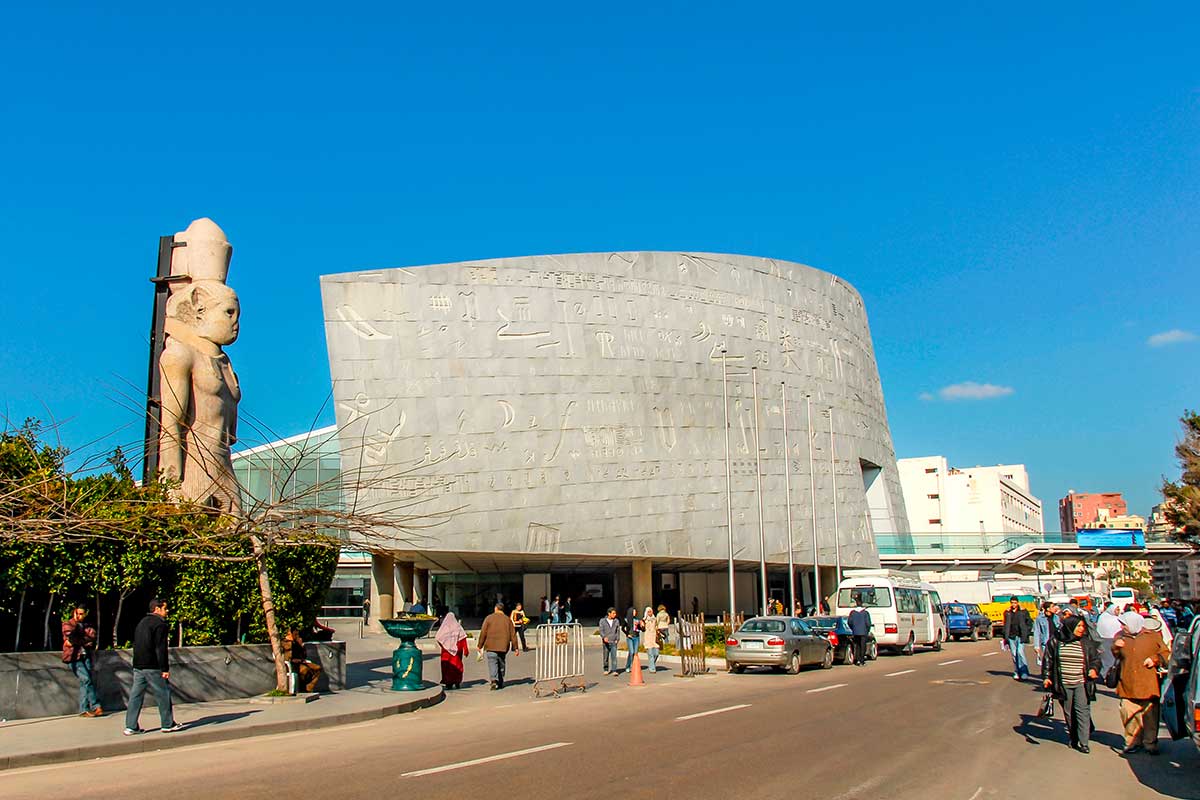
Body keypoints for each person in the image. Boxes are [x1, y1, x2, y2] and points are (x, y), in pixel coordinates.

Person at [1113, 610, 1171, 755]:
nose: (1122, 627)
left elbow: (1165, 653)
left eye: (1124, 625)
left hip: (1148, 683)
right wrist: (1115, 647)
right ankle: (1132, 742)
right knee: (1128, 714)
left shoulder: (1152, 636)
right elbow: (1116, 655)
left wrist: (1154, 659)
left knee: (1150, 715)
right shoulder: (1120, 637)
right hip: (1127, 682)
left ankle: (1150, 743)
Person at [124, 598, 184, 735]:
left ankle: (131, 726)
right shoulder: (160, 624)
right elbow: (160, 648)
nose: (167, 611)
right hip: (153, 665)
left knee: (136, 695)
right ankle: (167, 724)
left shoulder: (142, 622)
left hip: (139, 664)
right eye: (165, 608)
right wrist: (164, 668)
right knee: (163, 694)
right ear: (157, 609)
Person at [1042, 614, 1101, 753]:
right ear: (1070, 627)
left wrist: (1094, 669)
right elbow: (1048, 660)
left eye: (1083, 626)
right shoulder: (1056, 641)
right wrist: (1046, 677)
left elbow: (1095, 660)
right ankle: (1073, 737)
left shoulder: (1086, 642)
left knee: (1082, 711)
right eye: (1078, 626)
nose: (1081, 629)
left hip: (1082, 682)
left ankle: (1084, 742)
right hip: (1063, 684)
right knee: (1069, 713)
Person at [62, 606, 103, 717]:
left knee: (85, 682)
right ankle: (95, 706)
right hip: (74, 657)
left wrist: (80, 640)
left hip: (86, 656)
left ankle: (83, 709)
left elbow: (92, 636)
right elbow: (70, 639)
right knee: (86, 679)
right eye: (78, 614)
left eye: (82, 614)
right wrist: (83, 639)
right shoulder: (68, 624)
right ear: (74, 613)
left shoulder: (88, 625)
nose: (80, 616)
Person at [476, 602, 520, 690]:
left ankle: (493, 680)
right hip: (503, 646)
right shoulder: (507, 620)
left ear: (496, 608)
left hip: (490, 646)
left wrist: (480, 645)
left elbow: (483, 632)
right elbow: (513, 635)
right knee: (501, 663)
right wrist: (516, 648)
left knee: (492, 663)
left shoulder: (489, 618)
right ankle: (500, 680)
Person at [282, 627, 323, 693]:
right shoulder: (287, 643)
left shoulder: (297, 642)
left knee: (318, 668)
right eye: (296, 634)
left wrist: (302, 646)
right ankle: (302, 688)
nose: (297, 636)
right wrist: (299, 661)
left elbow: (304, 656)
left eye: (298, 634)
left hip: (301, 662)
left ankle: (309, 687)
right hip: (293, 664)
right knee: (304, 670)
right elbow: (289, 658)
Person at [1002, 596, 1033, 680]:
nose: (1013, 604)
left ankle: (1024, 671)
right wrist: (1005, 636)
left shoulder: (1023, 611)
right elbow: (1005, 624)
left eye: (1015, 603)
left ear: (1018, 603)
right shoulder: (1007, 612)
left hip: (1020, 635)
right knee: (1014, 654)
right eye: (1012, 602)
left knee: (1020, 652)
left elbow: (1029, 622)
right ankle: (1017, 671)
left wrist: (1027, 631)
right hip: (1011, 636)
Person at [436, 612, 468, 689]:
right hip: (457, 652)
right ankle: (457, 681)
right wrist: (465, 650)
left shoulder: (444, 627)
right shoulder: (458, 627)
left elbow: (438, 637)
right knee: (457, 666)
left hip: (446, 652)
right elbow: (463, 639)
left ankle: (448, 682)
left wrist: (444, 645)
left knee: (447, 667)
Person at [1033, 601, 1060, 676]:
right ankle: (1048, 677)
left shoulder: (1056, 617)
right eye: (1052, 607)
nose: (1054, 608)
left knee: (1057, 661)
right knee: (1048, 661)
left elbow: (1059, 628)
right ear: (1047, 609)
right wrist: (1036, 645)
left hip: (1057, 642)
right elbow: (1037, 632)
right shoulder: (1039, 618)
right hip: (1046, 643)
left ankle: (1056, 677)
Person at [1096, 602, 1122, 675]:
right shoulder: (1103, 617)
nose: (1118, 611)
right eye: (1116, 610)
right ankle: (1105, 676)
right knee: (1106, 660)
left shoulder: (1119, 618)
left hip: (1116, 640)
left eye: (1118, 610)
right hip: (1104, 641)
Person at [847, 596, 872, 666]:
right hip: (863, 632)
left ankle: (857, 660)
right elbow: (868, 623)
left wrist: (853, 628)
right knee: (863, 646)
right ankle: (862, 660)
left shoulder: (852, 613)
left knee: (857, 646)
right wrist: (867, 630)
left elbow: (849, 622)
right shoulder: (865, 613)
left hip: (856, 632)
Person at [599, 608, 621, 675]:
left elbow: (618, 630)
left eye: (615, 613)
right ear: (609, 613)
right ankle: (606, 669)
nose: (615, 615)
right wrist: (604, 637)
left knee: (614, 656)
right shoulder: (602, 621)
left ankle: (614, 670)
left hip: (613, 641)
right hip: (606, 641)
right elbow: (601, 630)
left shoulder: (616, 621)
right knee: (606, 656)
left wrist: (617, 638)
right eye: (613, 613)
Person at [623, 605, 643, 672]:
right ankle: (629, 666)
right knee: (631, 652)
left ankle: (633, 665)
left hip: (636, 637)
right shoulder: (626, 620)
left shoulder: (637, 620)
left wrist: (641, 626)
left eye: (635, 611)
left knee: (635, 652)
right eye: (634, 611)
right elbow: (623, 628)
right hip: (630, 637)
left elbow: (641, 629)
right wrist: (627, 634)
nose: (635, 613)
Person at [642, 606, 660, 673]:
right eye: (649, 612)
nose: (650, 613)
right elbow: (642, 629)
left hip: (654, 639)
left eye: (651, 611)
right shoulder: (644, 620)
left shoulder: (654, 619)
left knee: (656, 654)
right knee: (650, 654)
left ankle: (652, 664)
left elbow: (657, 627)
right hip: (648, 638)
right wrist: (641, 625)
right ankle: (652, 668)